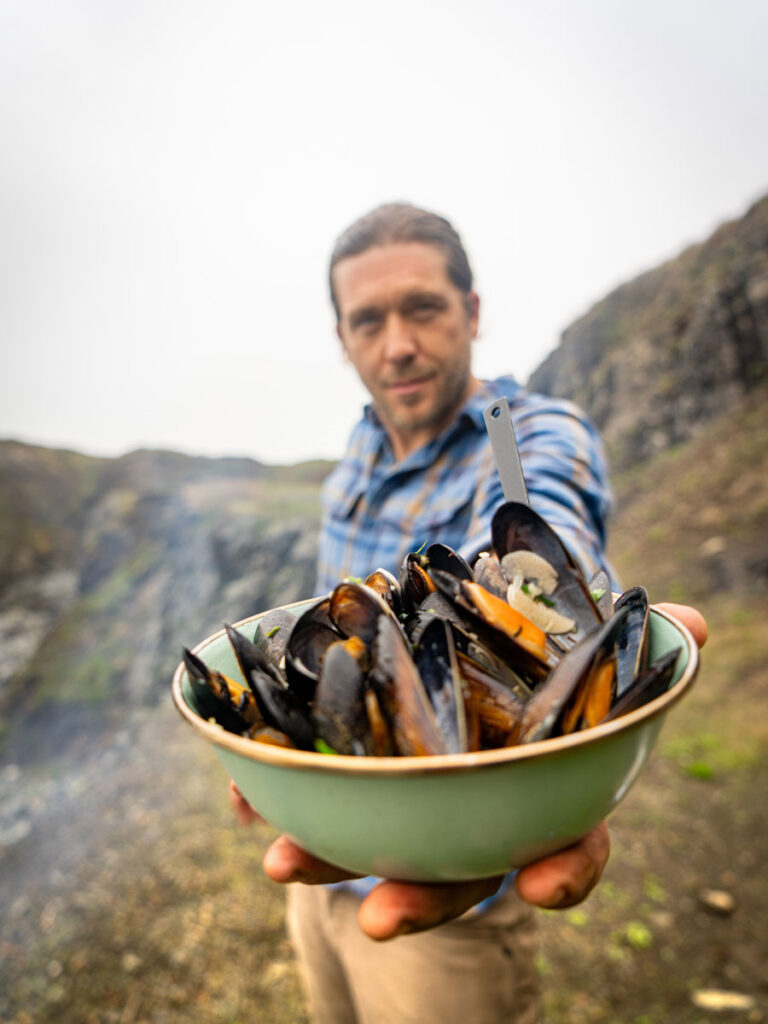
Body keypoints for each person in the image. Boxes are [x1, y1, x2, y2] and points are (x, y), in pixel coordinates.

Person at [230, 203, 708, 1023]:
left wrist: (574, 655)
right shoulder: (356, 455)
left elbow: (551, 535)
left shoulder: (529, 437)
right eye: (368, 321)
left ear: (473, 313)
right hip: (325, 854)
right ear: (343, 339)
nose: (398, 343)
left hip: (455, 895)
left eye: (423, 308)